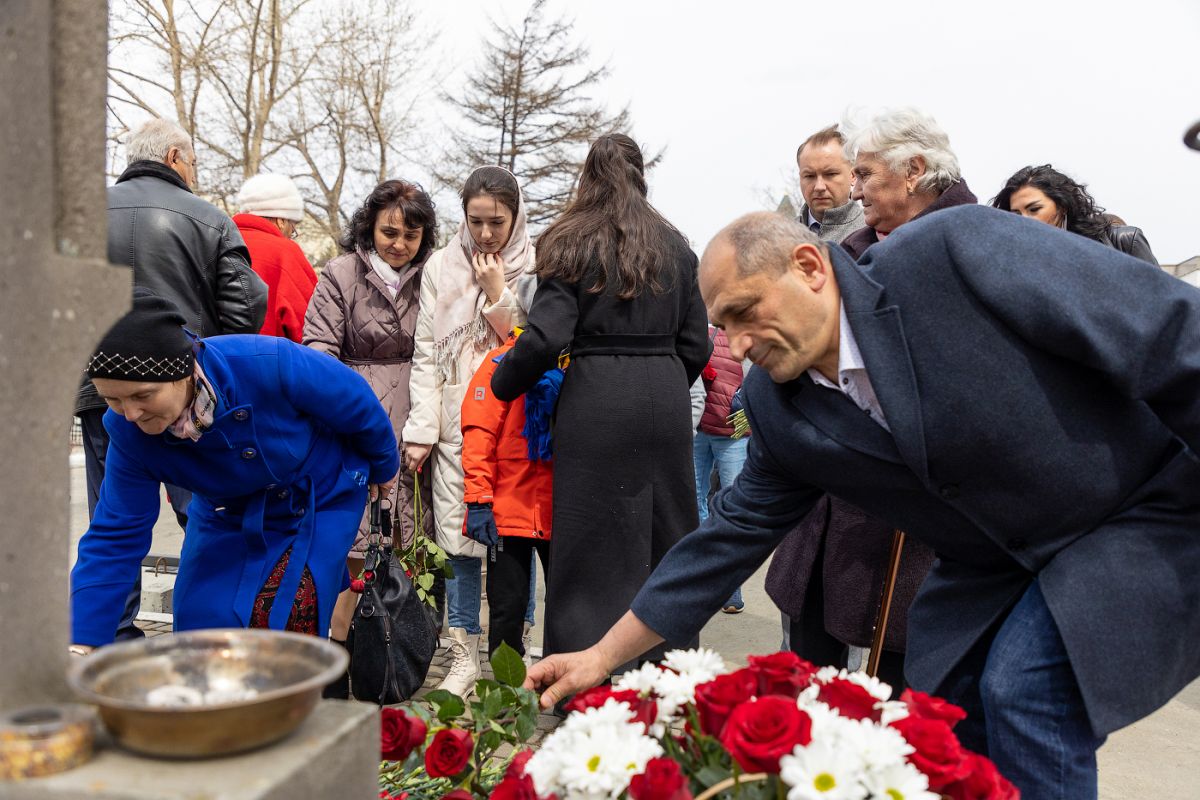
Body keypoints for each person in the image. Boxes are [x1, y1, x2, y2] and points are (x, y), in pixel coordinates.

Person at [527, 207, 1200, 799]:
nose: (738, 345)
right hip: (994, 569)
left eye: (744, 312)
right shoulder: (778, 407)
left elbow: (1164, 331)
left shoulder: (956, 255)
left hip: (1139, 507)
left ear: (809, 266)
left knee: (1029, 692)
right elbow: (729, 533)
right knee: (936, 723)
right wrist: (601, 656)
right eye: (722, 326)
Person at [70, 291, 399, 651]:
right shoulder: (127, 432)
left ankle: (308, 691)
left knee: (286, 614)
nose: (130, 414)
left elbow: (356, 401)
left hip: (316, 496)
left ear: (182, 372)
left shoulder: (266, 362)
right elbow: (114, 535)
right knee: (201, 622)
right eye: (113, 399)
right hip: (226, 510)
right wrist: (81, 641)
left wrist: (384, 467)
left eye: (142, 396)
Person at [491, 133, 710, 671]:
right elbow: (698, 345)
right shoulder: (677, 246)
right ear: (640, 177)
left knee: (589, 546)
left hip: (595, 398)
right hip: (664, 397)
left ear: (587, 175)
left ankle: (584, 679)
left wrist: (504, 382)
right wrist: (659, 380)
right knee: (665, 539)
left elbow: (545, 338)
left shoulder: (569, 240)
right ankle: (667, 673)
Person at [74, 118, 266, 642]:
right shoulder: (209, 219)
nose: (196, 173)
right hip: (187, 395)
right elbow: (246, 303)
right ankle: (212, 633)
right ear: (176, 157)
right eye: (195, 162)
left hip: (102, 394)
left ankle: (109, 638)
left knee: (112, 519)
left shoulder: (82, 217)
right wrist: (214, 371)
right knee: (206, 514)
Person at [302, 179, 438, 696]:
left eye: (410, 234)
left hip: (422, 417)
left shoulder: (435, 278)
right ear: (369, 227)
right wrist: (350, 412)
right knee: (353, 546)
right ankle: (338, 656)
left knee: (411, 540)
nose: (399, 244)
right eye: (389, 232)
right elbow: (318, 351)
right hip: (355, 420)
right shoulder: (339, 275)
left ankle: (395, 655)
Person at [401, 166, 532, 697]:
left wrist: (498, 294)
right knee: (458, 547)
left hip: (515, 425)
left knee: (513, 549)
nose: (484, 234)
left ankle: (509, 659)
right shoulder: (440, 265)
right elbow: (428, 352)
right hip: (457, 423)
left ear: (515, 216)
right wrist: (421, 428)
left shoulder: (535, 262)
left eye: (496, 222)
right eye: (475, 221)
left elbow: (530, 344)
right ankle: (462, 656)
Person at [461, 330, 561, 660]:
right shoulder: (499, 363)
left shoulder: (576, 362)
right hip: (507, 509)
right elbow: (479, 435)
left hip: (561, 508)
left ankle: (570, 692)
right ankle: (504, 699)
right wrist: (478, 500)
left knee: (570, 608)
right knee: (506, 611)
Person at [841, 107, 978, 258]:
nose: (855, 194)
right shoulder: (849, 253)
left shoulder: (977, 238)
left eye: (865, 175)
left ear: (913, 170)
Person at [991, 164, 1158, 264]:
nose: (1024, 220)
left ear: (1063, 206)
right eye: (1016, 214)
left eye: (1034, 209)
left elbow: (1160, 308)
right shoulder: (1017, 261)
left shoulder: (1124, 242)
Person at [693, 326, 750, 614]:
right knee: (703, 503)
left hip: (724, 431)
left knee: (728, 507)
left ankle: (727, 588)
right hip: (710, 428)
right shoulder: (706, 332)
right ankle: (712, 584)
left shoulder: (741, 332)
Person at [234, 173, 318, 341]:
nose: (291, 234)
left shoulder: (215, 242)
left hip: (213, 360)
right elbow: (311, 322)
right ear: (281, 220)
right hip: (270, 360)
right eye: (292, 228)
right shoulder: (285, 252)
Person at [794, 124, 865, 242]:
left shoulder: (873, 234)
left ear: (853, 176)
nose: (819, 187)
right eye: (810, 176)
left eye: (830, 174)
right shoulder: (781, 240)